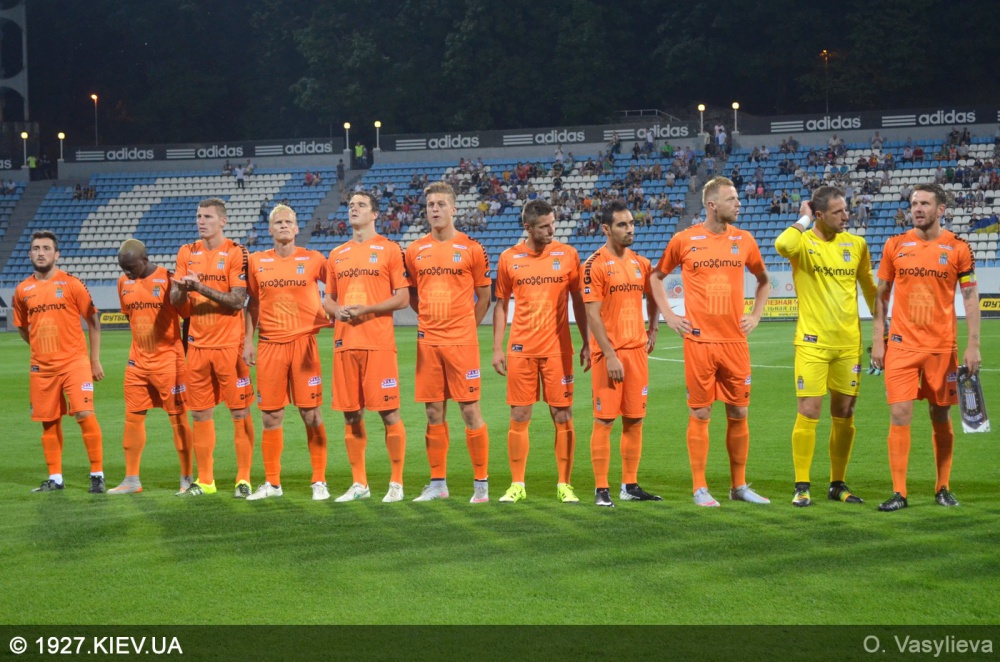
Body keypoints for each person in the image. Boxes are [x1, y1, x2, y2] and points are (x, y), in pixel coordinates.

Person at [650, 176, 771, 507]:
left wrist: (756, 315)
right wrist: (670, 316)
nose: (739, 203)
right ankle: (700, 488)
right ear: (712, 205)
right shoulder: (684, 240)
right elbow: (656, 278)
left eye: (738, 198)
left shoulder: (744, 240)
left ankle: (739, 486)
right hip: (700, 342)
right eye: (732, 199)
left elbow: (763, 280)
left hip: (734, 342)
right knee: (701, 413)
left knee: (739, 411)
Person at [870, 183, 980, 511]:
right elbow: (881, 295)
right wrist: (878, 339)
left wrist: (973, 345)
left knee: (940, 414)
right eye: (914, 203)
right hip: (901, 347)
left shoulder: (958, 248)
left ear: (941, 209)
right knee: (899, 414)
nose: (917, 208)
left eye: (924, 203)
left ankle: (942, 487)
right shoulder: (895, 244)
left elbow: (970, 298)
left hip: (941, 349)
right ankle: (899, 492)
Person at [774, 187, 877, 507]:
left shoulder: (856, 245)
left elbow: (870, 289)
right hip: (812, 344)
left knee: (844, 414)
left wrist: (885, 331)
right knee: (809, 411)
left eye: (846, 209)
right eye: (838, 212)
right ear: (819, 215)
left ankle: (837, 484)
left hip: (848, 344)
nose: (846, 216)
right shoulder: (803, 243)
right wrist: (803, 218)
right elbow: (782, 245)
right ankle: (802, 485)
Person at [491, 200, 590, 504]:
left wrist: (587, 342)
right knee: (519, 415)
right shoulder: (509, 258)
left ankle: (564, 484)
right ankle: (517, 484)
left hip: (558, 350)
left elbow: (579, 302)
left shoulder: (568, 255)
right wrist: (497, 347)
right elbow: (501, 304)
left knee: (562, 414)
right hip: (521, 349)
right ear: (528, 227)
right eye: (545, 226)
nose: (552, 230)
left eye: (553, 224)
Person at [403, 182, 491, 502]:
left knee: (470, 411)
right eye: (431, 205)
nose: (435, 209)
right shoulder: (414, 250)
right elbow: (413, 294)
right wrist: (430, 319)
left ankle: (481, 486)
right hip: (428, 342)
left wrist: (466, 328)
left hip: (461, 343)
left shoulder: (472, 248)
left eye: (441, 204)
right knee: (433, 412)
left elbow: (484, 296)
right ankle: (438, 485)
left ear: (453, 209)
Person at [323, 192, 410, 502]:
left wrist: (367, 309)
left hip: (378, 343)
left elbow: (403, 297)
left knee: (389, 412)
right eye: (350, 205)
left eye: (361, 205)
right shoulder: (337, 254)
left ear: (375, 214)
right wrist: (337, 311)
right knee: (350, 415)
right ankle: (359, 484)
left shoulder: (390, 249)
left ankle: (396, 484)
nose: (353, 209)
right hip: (345, 343)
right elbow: (328, 299)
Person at [243, 204, 331, 501]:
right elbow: (253, 303)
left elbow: (337, 286)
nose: (283, 226)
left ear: (296, 228)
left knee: (311, 414)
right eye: (278, 222)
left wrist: (333, 309)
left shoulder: (314, 259)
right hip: (270, 345)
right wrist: (247, 340)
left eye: (288, 222)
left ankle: (319, 481)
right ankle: (272, 483)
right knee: (271, 416)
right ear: (270, 229)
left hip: (304, 345)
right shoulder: (257, 261)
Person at [171, 198, 255, 497]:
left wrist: (198, 287)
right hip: (197, 347)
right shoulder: (186, 252)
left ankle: (243, 479)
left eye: (207, 216)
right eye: (198, 216)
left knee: (240, 413)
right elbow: (176, 301)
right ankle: (205, 481)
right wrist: (181, 290)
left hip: (229, 347)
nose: (201, 221)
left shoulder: (236, 252)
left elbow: (237, 301)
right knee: (200, 415)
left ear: (223, 221)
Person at [581, 199, 661, 507]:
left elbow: (654, 296)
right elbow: (592, 314)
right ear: (606, 229)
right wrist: (610, 354)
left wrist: (653, 329)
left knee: (635, 420)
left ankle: (630, 485)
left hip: (637, 353)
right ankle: (602, 489)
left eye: (632, 224)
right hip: (609, 356)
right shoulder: (594, 265)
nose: (630, 230)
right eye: (622, 225)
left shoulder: (641, 263)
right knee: (604, 421)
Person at [13, 231, 105, 493]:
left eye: (46, 248)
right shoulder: (22, 290)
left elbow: (93, 321)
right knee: (49, 421)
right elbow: (22, 327)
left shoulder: (72, 284)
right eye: (36, 248)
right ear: (29, 254)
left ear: (57, 254)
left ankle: (97, 474)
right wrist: (39, 348)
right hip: (42, 368)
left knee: (84, 414)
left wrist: (94, 360)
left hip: (74, 363)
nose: (40, 253)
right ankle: (55, 478)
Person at [108, 239, 194, 494]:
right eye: (123, 268)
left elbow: (188, 317)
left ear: (144, 260)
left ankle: (187, 478)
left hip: (169, 362)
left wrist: (183, 354)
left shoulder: (169, 280)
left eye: (131, 267)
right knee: (132, 418)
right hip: (137, 363)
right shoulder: (123, 283)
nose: (127, 273)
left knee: (178, 419)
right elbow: (131, 317)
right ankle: (131, 480)